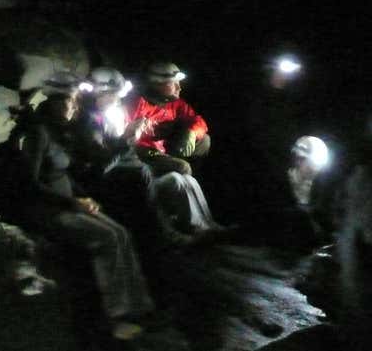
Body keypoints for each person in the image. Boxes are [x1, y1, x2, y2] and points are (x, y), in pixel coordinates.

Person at [20, 71, 154, 341]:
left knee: (121, 232)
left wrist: (83, 197)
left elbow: (63, 174)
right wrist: (72, 202)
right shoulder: (38, 134)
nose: (74, 106)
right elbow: (28, 184)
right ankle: (115, 318)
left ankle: (138, 306)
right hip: (49, 211)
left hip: (69, 204)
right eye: (68, 100)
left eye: (74, 100)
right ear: (55, 102)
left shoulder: (59, 132)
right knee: (107, 237)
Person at [78, 67, 224, 242]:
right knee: (150, 173)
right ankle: (168, 235)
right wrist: (128, 140)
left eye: (117, 95)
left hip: (140, 168)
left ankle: (205, 226)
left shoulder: (117, 113)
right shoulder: (92, 123)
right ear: (96, 95)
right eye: (110, 95)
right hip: (125, 179)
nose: (116, 99)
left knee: (182, 180)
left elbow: (193, 120)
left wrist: (187, 133)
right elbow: (103, 164)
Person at [125, 62, 210, 176]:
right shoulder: (138, 104)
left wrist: (191, 132)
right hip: (143, 151)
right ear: (156, 84)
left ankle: (197, 174)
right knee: (182, 167)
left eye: (178, 83)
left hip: (164, 147)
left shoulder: (176, 104)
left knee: (204, 140)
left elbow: (196, 120)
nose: (179, 88)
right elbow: (126, 136)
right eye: (173, 83)